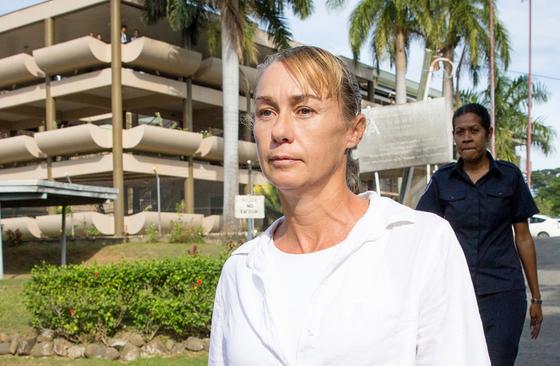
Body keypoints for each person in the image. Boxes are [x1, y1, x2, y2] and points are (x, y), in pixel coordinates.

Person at [208, 46, 490, 365]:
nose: (279, 131)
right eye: (266, 112)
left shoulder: (420, 244)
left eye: (304, 110)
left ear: (354, 131)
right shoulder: (240, 269)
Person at [416, 103, 543, 366]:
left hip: (503, 292)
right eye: (459, 132)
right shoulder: (442, 181)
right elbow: (423, 233)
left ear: (489, 133)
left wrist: (537, 298)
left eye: (474, 130)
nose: (466, 137)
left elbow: (523, 237)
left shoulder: (509, 177)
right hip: (454, 292)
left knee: (498, 360)